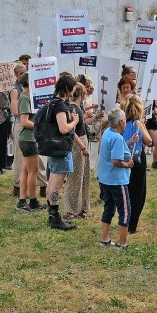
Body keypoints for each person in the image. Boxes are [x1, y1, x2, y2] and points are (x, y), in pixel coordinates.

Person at [44, 74, 80, 231]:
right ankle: (55, 218)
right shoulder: (59, 105)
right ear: (66, 88)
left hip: (53, 148)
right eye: (72, 89)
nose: (73, 92)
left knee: (51, 182)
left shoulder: (52, 102)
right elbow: (63, 128)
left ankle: (52, 216)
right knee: (56, 186)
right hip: (60, 149)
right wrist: (75, 121)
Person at [97, 107, 134, 249]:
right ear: (121, 122)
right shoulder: (117, 138)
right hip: (117, 180)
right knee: (125, 211)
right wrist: (128, 165)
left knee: (109, 208)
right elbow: (116, 161)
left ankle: (105, 238)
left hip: (106, 179)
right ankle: (123, 243)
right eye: (124, 121)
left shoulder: (107, 132)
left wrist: (129, 142)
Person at [11, 63, 46, 199]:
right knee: (24, 164)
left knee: (34, 164)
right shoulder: (19, 92)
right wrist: (38, 124)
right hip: (24, 129)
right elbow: (17, 113)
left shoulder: (31, 94)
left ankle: (39, 187)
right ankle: (23, 192)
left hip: (31, 130)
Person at [121, 94, 153, 234]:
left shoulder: (121, 123)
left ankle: (124, 220)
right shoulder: (137, 123)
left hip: (124, 159)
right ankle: (132, 225)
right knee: (138, 193)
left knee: (126, 190)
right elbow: (149, 141)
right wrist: (143, 126)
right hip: (137, 160)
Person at [63, 82, 94, 222]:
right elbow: (72, 131)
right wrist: (82, 147)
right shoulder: (72, 108)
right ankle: (71, 209)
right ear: (82, 93)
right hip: (77, 144)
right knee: (75, 177)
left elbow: (83, 124)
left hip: (82, 142)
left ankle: (82, 207)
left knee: (84, 177)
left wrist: (97, 117)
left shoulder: (77, 108)